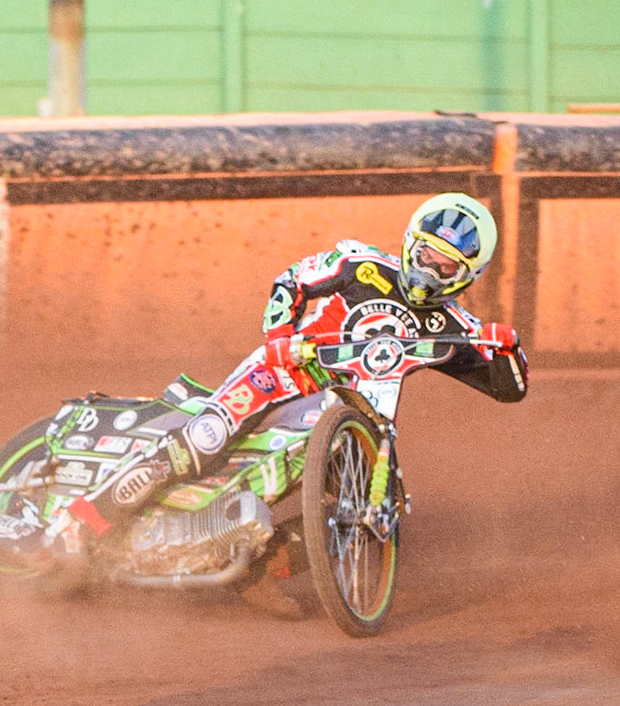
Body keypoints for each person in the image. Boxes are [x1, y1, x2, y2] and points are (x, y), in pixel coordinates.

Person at [46, 192, 529, 550]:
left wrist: (509, 349)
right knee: (208, 437)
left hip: (353, 415)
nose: (429, 271)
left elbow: (510, 389)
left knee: (358, 504)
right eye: (426, 255)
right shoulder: (359, 264)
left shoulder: (457, 329)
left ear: (469, 274)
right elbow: (292, 280)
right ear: (410, 244)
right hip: (292, 368)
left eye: (445, 267)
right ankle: (86, 518)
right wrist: (279, 337)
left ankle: (259, 569)